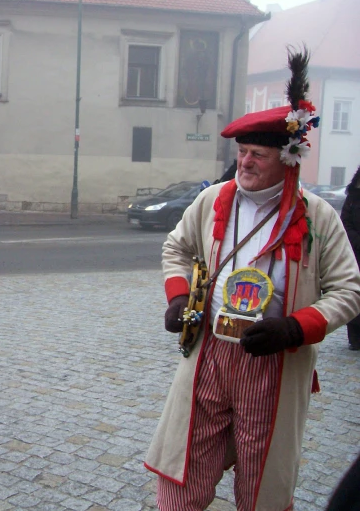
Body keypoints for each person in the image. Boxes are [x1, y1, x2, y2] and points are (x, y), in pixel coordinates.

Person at [145, 48, 360, 511]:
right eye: (241, 153)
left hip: (273, 360)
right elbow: (176, 249)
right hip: (208, 353)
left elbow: (349, 291)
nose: (244, 163)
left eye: (257, 155)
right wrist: (179, 297)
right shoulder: (214, 200)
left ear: (288, 158)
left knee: (261, 477)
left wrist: (295, 327)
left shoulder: (317, 216)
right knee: (186, 468)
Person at [341, 164, 360, 350]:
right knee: (356, 292)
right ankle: (355, 337)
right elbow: (345, 222)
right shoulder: (353, 197)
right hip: (356, 253)